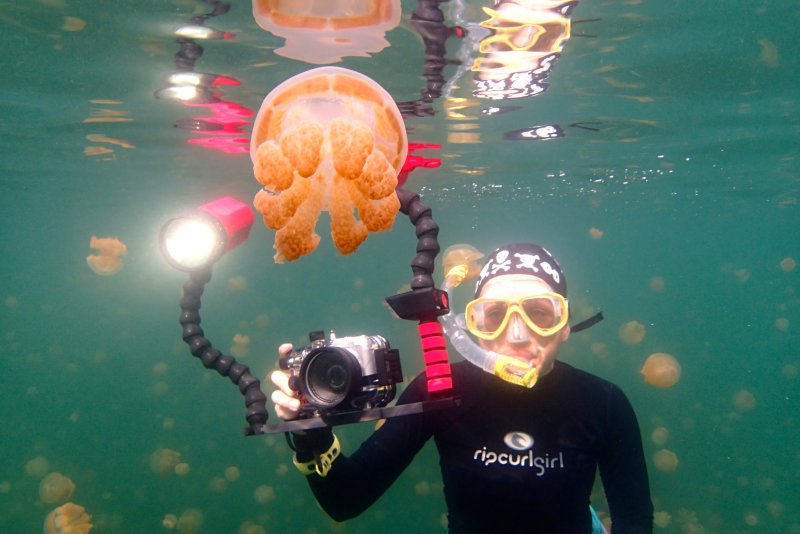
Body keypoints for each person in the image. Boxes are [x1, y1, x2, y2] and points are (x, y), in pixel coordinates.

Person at [270, 243, 654, 533]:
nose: (518, 335)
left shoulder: (603, 403)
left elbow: (634, 520)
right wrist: (310, 436)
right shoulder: (439, 388)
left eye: (540, 313)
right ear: (471, 327)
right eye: (495, 315)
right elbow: (345, 499)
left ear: (565, 323)